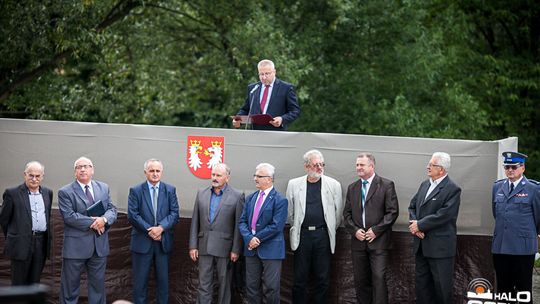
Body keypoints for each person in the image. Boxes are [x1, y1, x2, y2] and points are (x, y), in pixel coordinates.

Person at [286, 150, 343, 304]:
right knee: (299, 279)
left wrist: (327, 229)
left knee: (323, 279)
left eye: (321, 164)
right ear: (306, 167)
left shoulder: (333, 185)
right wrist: (297, 227)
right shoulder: (294, 184)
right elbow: (290, 213)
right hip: (302, 236)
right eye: (315, 164)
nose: (319, 168)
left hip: (323, 236)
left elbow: (337, 215)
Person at [58, 156, 118, 304]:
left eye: (86, 166)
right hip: (75, 249)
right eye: (79, 167)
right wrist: (95, 222)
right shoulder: (65, 191)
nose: (83, 169)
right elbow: (69, 217)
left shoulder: (103, 187)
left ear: (92, 170)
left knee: (98, 289)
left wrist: (104, 220)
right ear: (75, 172)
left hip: (99, 248)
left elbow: (112, 209)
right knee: (69, 289)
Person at [343, 153, 399, 304]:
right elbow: (346, 214)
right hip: (358, 243)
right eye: (357, 165)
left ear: (372, 166)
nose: (358, 168)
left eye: (362, 165)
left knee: (379, 279)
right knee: (361, 281)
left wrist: (376, 230)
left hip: (379, 242)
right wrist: (355, 230)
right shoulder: (352, 188)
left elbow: (392, 212)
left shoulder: (386, 185)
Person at [408, 152, 461, 304]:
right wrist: (415, 227)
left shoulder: (453, 189)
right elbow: (412, 206)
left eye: (431, 165)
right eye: (429, 164)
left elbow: (445, 215)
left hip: (440, 249)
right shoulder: (424, 184)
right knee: (422, 288)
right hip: (421, 246)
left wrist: (420, 225)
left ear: (441, 169)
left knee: (442, 289)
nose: (428, 167)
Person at [189, 163, 245, 304]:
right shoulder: (201, 193)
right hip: (204, 246)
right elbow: (195, 220)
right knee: (203, 284)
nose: (214, 178)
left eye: (218, 175)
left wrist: (236, 249)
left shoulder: (238, 196)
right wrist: (193, 245)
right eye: (213, 174)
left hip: (226, 249)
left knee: (225, 285)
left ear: (227, 177)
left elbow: (239, 225)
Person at [127, 159, 180, 304]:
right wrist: (150, 230)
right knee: (140, 284)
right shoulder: (136, 190)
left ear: (162, 172)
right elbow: (133, 215)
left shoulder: (170, 190)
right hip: (142, 243)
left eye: (157, 171)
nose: (155, 174)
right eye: (151, 171)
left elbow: (174, 214)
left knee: (163, 284)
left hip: (163, 243)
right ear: (145, 173)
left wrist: (161, 228)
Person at [491, 151, 540, 298]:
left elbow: (538, 217)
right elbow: (496, 214)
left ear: (522, 168)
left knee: (523, 290)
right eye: (507, 167)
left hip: (522, 248)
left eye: (514, 167)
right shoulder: (497, 187)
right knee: (503, 290)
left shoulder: (534, 189)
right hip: (501, 247)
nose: (510, 170)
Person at [238, 163, 288, 304]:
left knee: (271, 288)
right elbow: (242, 222)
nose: (255, 179)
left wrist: (256, 238)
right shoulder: (250, 198)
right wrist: (249, 238)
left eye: (259, 176)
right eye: (255, 175)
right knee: (251, 287)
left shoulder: (280, 200)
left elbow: (276, 226)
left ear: (269, 179)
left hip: (271, 250)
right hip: (251, 250)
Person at [0, 161, 53, 285]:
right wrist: (16, 235)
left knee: (34, 283)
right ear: (25, 175)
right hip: (20, 244)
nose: (34, 179)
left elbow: (47, 215)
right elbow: (3, 220)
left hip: (41, 243)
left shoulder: (48, 193)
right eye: (31, 175)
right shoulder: (12, 193)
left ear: (42, 176)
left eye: (38, 176)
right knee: (19, 283)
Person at [232, 59, 300, 131]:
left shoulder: (286, 88)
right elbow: (245, 109)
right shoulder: (253, 88)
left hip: (276, 134)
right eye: (261, 74)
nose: (264, 77)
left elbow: (295, 111)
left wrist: (282, 119)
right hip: (255, 133)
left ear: (274, 72)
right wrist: (237, 119)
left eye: (267, 74)